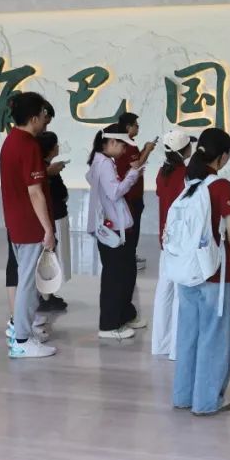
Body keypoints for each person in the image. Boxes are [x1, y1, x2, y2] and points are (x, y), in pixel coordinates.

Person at [172, 128, 230, 416]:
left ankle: (183, 395)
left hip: (186, 269)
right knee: (215, 335)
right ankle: (207, 401)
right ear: (222, 156)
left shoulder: (189, 182)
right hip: (214, 272)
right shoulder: (221, 185)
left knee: (188, 333)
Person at [0, 91, 56, 359]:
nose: (46, 119)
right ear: (33, 118)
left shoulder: (11, 140)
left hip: (16, 221)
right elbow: (35, 192)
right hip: (30, 223)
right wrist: (48, 229)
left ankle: (22, 333)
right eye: (44, 114)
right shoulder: (29, 145)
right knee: (28, 283)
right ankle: (21, 339)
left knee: (26, 280)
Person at [86, 123, 149, 340]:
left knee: (120, 274)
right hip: (111, 229)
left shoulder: (99, 161)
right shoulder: (104, 163)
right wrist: (133, 174)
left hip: (111, 227)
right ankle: (109, 325)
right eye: (123, 145)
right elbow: (114, 192)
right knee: (114, 278)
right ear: (112, 142)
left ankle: (122, 317)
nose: (124, 150)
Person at [152, 129, 194, 359]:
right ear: (183, 150)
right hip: (181, 241)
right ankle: (176, 349)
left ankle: (159, 345)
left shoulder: (162, 172)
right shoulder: (186, 175)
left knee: (164, 291)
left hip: (165, 238)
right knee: (180, 294)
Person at [114, 112, 156, 271]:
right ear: (128, 127)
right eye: (136, 125)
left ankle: (128, 255)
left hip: (130, 193)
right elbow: (137, 164)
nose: (138, 128)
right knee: (133, 227)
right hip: (131, 195)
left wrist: (145, 149)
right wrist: (148, 150)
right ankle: (129, 257)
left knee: (130, 226)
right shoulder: (128, 145)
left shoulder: (126, 144)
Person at [38, 132, 70, 312]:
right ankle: (43, 296)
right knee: (48, 258)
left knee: (53, 257)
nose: (58, 147)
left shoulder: (48, 168)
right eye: (56, 145)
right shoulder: (43, 170)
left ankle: (48, 294)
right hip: (53, 217)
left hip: (57, 214)